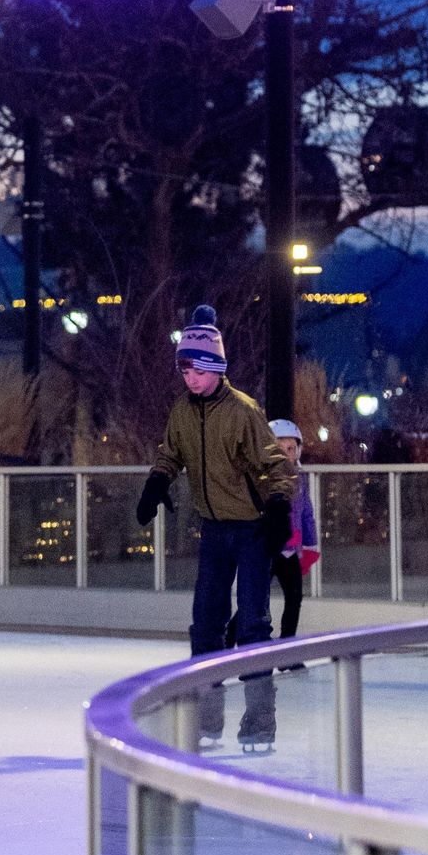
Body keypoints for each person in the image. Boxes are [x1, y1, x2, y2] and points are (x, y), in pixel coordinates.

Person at [136, 305, 296, 751]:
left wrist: (278, 505)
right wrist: (157, 482)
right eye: (184, 370)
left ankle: (260, 722)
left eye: (198, 370)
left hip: (252, 531)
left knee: (253, 625)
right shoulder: (182, 413)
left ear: (216, 367)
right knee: (205, 624)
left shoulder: (243, 410)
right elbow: (171, 453)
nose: (190, 378)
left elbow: (275, 464)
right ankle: (206, 719)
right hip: (213, 531)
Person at [263, 419, 321, 639]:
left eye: (291, 449)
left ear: (298, 451)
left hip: (290, 550)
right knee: (256, 600)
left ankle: (287, 644)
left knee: (294, 598)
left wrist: (310, 545)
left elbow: (306, 514)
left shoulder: (299, 479)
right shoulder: (262, 478)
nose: (287, 455)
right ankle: (230, 638)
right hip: (267, 550)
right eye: (280, 449)